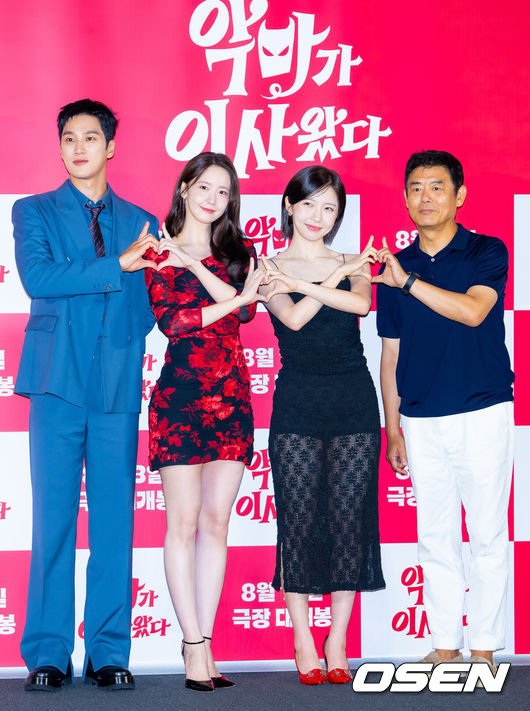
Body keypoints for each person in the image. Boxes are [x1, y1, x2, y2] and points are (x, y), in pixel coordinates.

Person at [13, 99, 159, 691]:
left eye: (90, 137)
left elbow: (146, 307)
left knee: (114, 522)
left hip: (116, 385)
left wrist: (120, 334)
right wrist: (114, 266)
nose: (79, 147)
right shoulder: (34, 211)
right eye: (69, 138)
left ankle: (108, 651)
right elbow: (37, 278)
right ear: (60, 147)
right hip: (55, 382)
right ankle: (48, 652)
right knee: (52, 521)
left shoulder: (143, 221)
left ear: (111, 147)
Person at [375, 150, 514, 675]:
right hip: (420, 418)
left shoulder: (485, 251)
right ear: (405, 198)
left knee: (487, 535)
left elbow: (475, 311)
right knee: (434, 537)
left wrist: (407, 283)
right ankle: (445, 645)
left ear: (459, 196)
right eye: (416, 188)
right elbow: (390, 355)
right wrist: (393, 428)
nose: (425, 197)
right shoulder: (395, 265)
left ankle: (484, 647)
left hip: (482, 410)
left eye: (437, 187)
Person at [259, 165, 385, 685]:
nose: (318, 215)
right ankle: (303, 638)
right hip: (297, 404)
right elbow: (292, 319)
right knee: (298, 521)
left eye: (329, 208)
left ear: (338, 216)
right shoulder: (267, 266)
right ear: (290, 205)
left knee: (348, 521)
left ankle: (337, 638)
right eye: (309, 203)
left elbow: (361, 304)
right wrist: (320, 278)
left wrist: (328, 276)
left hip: (353, 400)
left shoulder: (353, 261)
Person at [144, 152, 265, 692]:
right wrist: (221, 290)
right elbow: (174, 322)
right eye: (205, 187)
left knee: (217, 523)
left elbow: (246, 312)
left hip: (231, 400)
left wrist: (195, 267)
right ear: (185, 187)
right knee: (184, 522)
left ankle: (207, 644)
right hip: (181, 401)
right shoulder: (157, 250)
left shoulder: (239, 252)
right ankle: (191, 643)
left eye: (223, 191)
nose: (213, 199)